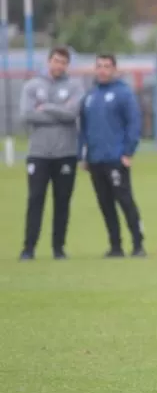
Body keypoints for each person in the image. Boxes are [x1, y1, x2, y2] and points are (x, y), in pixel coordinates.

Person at [18, 47, 85, 260]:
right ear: (49, 62)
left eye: (63, 62)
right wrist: (59, 111)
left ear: (68, 65)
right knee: (35, 200)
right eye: (56, 61)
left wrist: (45, 107)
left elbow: (72, 114)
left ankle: (58, 248)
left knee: (62, 202)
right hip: (39, 154)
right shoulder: (32, 86)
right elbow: (27, 115)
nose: (59, 65)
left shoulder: (75, 87)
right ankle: (29, 248)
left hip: (65, 153)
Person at [78, 54, 147, 258]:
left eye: (107, 66)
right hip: (95, 159)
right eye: (99, 66)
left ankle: (138, 243)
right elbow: (83, 128)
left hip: (116, 158)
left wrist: (128, 151)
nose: (102, 70)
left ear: (114, 69)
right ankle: (115, 245)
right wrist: (83, 154)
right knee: (105, 204)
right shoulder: (90, 96)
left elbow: (133, 123)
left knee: (125, 201)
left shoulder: (123, 93)